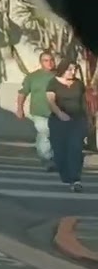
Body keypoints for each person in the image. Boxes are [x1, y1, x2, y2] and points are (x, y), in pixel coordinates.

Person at [45, 58, 89, 192]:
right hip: (59, 121)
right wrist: (60, 114)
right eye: (70, 69)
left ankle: (76, 179)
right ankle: (66, 175)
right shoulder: (53, 83)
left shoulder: (79, 84)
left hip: (77, 120)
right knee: (59, 152)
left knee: (75, 149)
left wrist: (88, 120)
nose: (73, 72)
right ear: (63, 69)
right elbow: (51, 101)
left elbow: (84, 102)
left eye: (75, 69)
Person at [17, 51, 58, 171]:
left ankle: (54, 158)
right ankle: (47, 159)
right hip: (39, 112)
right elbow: (23, 93)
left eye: (51, 60)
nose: (49, 63)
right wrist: (20, 108)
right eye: (46, 60)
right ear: (41, 62)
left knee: (55, 137)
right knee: (45, 134)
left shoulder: (59, 75)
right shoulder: (33, 77)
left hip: (58, 112)